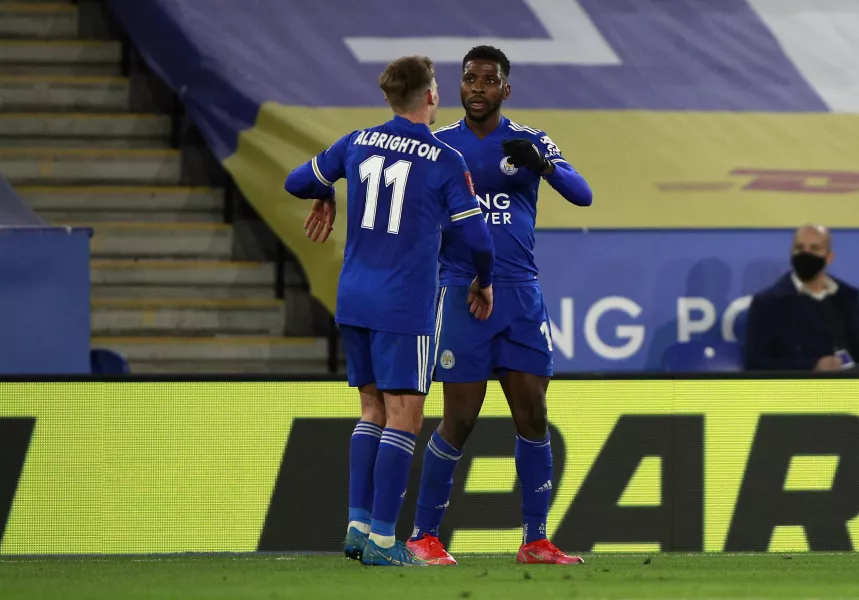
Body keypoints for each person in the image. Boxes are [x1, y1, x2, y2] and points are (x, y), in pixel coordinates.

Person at [285, 55, 496, 567]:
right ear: (430, 96)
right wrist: (484, 282)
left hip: (354, 297)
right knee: (406, 415)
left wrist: (327, 190)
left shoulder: (356, 142)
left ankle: (358, 528)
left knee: (370, 410)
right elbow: (479, 240)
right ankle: (383, 541)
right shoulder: (444, 159)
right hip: (405, 304)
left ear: (388, 98)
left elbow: (297, 181)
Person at [404, 45, 593, 565]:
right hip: (464, 292)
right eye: (470, 79)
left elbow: (583, 195)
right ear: (459, 87)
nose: (479, 88)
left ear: (505, 89)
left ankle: (535, 541)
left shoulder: (530, 140)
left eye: (490, 80)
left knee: (533, 415)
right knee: (459, 420)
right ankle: (423, 536)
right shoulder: (438, 147)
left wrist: (547, 167)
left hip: (521, 294)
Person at [744, 224, 859, 371]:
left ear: (829, 257)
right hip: (797, 390)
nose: (806, 253)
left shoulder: (849, 297)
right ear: (791, 254)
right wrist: (813, 366)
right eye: (799, 248)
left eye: (814, 248)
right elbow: (756, 363)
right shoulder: (767, 303)